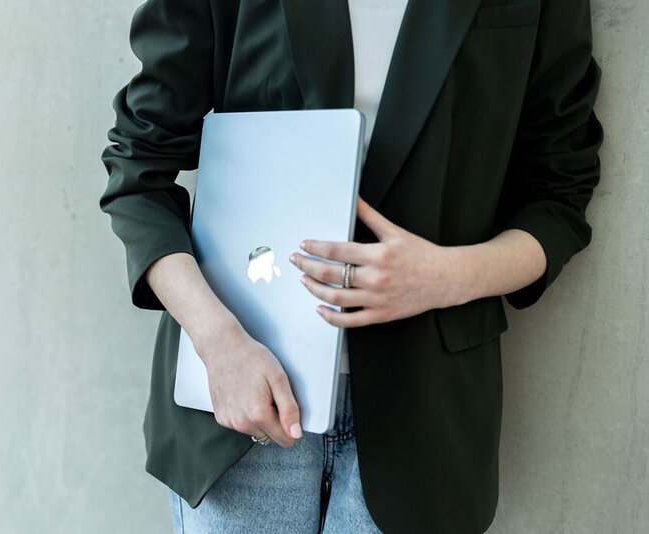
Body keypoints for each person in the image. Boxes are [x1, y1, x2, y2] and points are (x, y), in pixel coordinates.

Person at [99, 0, 604, 532]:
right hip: (241, 395)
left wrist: (446, 277)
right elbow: (139, 170)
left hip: (426, 411)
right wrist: (218, 341)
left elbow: (559, 193)